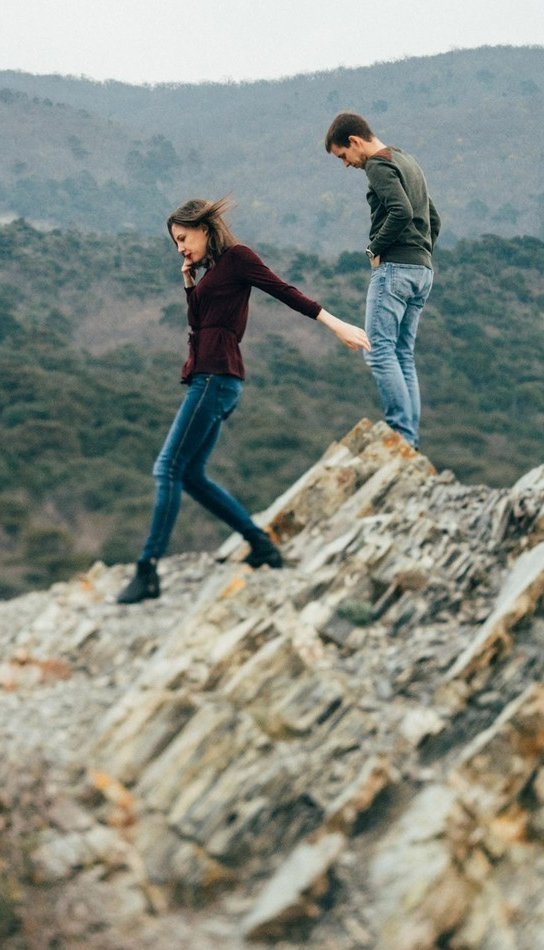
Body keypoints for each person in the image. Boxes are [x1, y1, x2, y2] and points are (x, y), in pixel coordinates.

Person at [117, 196, 370, 605]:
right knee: (192, 475)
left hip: (215, 378)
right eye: (175, 243)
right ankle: (263, 546)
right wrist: (188, 281)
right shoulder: (214, 270)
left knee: (167, 468)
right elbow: (199, 322)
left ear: (203, 227)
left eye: (183, 238)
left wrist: (334, 323)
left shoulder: (237, 258)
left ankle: (147, 571)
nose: (180, 247)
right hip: (214, 377)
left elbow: (283, 290)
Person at [324, 112, 441, 447]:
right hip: (422, 271)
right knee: (402, 354)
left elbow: (400, 211)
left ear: (355, 142)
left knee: (377, 351)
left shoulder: (378, 165)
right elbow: (433, 217)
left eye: (343, 156)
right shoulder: (407, 160)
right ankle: (410, 438)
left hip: (394, 269)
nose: (346, 164)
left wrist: (374, 249)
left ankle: (401, 435)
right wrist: (421, 252)